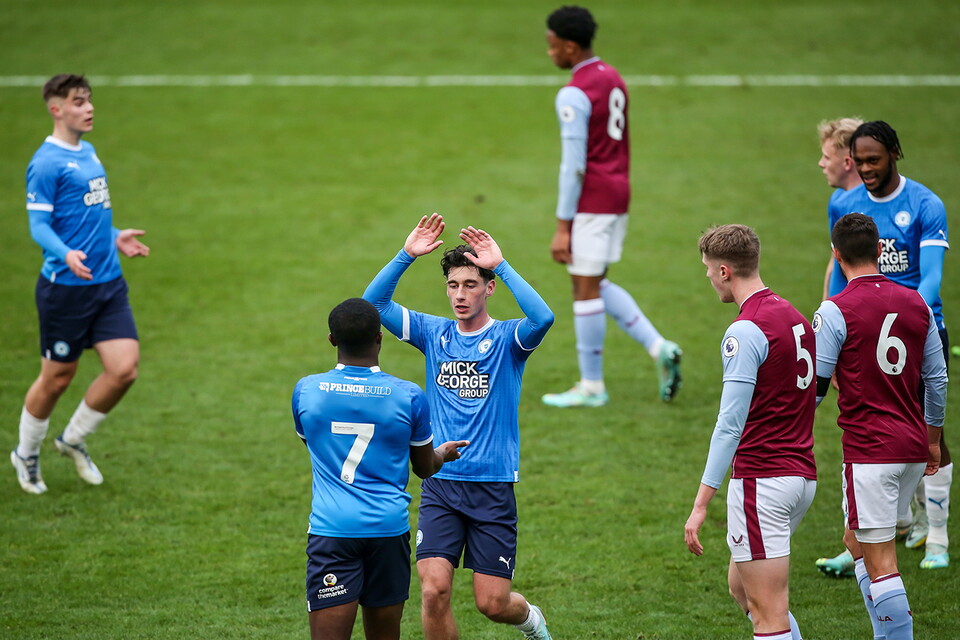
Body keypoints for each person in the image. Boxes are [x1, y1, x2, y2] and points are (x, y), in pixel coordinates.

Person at [363, 214, 554, 640]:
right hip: (441, 483)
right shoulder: (434, 333)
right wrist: (406, 255)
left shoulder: (508, 339)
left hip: (493, 486)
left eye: (471, 285)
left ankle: (532, 620)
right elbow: (373, 305)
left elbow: (543, 318)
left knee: (493, 604)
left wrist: (501, 264)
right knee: (433, 592)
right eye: (453, 285)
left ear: (489, 288)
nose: (460, 295)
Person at [292, 297, 469, 640]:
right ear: (379, 337)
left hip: (333, 532)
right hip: (388, 532)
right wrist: (442, 455)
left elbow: (312, 442)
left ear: (332, 339)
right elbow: (424, 468)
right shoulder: (408, 396)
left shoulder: (307, 390)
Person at [819, 121, 952, 572]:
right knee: (875, 422)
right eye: (859, 161)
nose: (866, 168)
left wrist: (900, 306)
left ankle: (936, 535)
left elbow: (931, 276)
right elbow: (841, 269)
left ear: (895, 153)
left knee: (931, 429)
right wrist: (832, 323)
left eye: (874, 159)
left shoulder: (924, 203)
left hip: (918, 325)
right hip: (859, 328)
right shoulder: (844, 202)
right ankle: (871, 535)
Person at [11, 74, 150, 495]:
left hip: (108, 283)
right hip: (66, 289)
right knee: (57, 378)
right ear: (56, 109)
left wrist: (115, 236)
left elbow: (89, 217)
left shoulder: (87, 152)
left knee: (124, 369)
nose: (87, 108)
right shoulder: (46, 162)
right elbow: (39, 225)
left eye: (88, 100)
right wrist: (65, 253)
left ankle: (72, 439)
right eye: (77, 102)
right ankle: (26, 453)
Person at [813, 213, 947, 640]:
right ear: (880, 251)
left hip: (870, 453)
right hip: (910, 450)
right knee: (856, 542)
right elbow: (938, 379)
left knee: (881, 561)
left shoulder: (835, 310)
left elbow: (815, 385)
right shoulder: (917, 304)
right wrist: (933, 441)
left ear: (836, 255)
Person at [540, 5, 681, 408]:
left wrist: (563, 224)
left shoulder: (574, 92)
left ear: (570, 45)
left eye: (552, 47)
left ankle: (591, 386)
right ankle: (660, 348)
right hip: (619, 191)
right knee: (595, 282)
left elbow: (574, 166)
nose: (550, 54)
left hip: (594, 200)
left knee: (584, 288)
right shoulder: (612, 77)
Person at [684, 224, 816, 640]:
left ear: (725, 271)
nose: (707, 277)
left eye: (707, 269)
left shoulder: (745, 331)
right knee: (741, 587)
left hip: (764, 480)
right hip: (801, 476)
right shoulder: (794, 317)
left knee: (767, 614)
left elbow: (729, 424)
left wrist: (702, 502)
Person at [816, 117, 864, 300]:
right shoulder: (837, 200)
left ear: (847, 163)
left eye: (827, 157)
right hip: (839, 313)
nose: (821, 163)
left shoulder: (875, 205)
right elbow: (834, 260)